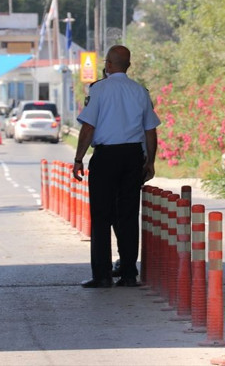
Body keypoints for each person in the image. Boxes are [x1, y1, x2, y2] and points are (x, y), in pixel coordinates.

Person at [73, 45, 160, 288]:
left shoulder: (99, 89)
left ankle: (101, 275)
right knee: (129, 215)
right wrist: (150, 161)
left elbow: (88, 127)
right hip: (132, 157)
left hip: (107, 157)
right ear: (128, 66)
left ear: (108, 65)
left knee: (101, 216)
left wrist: (79, 158)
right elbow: (150, 130)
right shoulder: (140, 92)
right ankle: (129, 274)